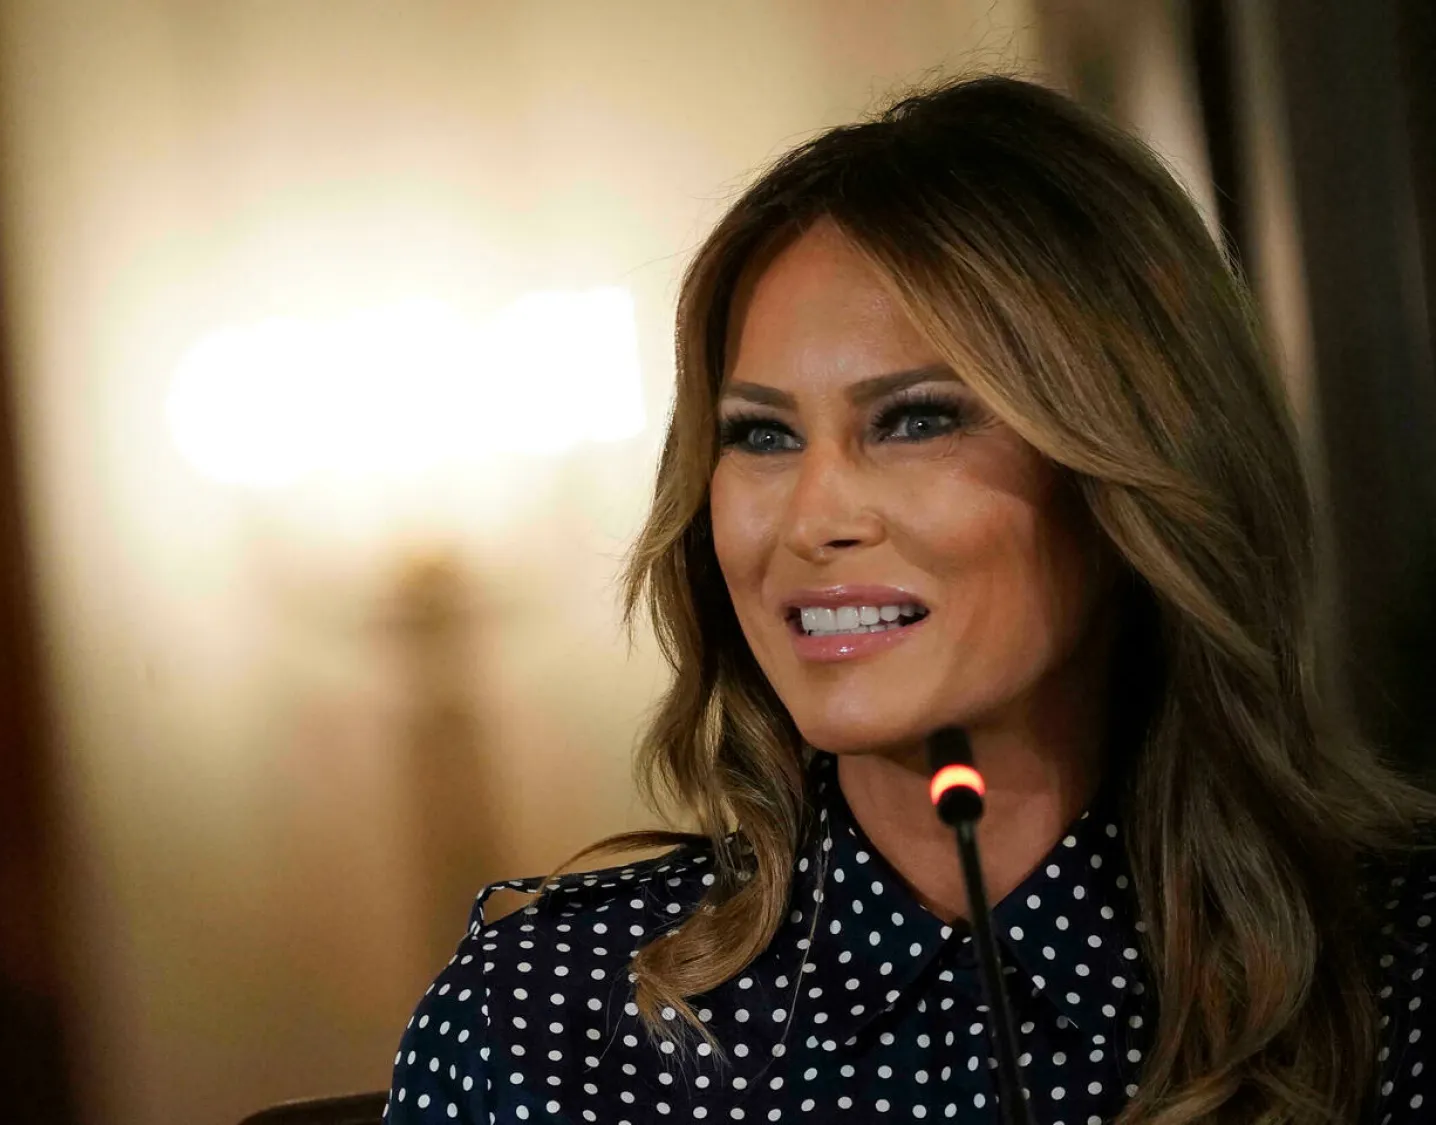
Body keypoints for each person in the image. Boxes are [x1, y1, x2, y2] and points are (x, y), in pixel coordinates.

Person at [384, 75, 1436, 1124]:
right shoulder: (547, 1021)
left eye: (916, 421)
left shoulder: (1396, 975)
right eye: (761, 435)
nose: (811, 519)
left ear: (1130, 466)